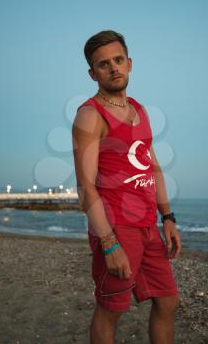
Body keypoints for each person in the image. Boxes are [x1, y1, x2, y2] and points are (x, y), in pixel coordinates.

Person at [72, 30, 181, 344]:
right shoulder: (90, 116)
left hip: (148, 227)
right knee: (111, 310)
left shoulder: (139, 109)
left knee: (168, 300)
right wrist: (108, 242)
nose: (113, 68)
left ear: (129, 63)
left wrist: (168, 217)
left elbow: (153, 167)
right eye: (103, 64)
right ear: (93, 73)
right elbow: (85, 187)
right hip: (117, 228)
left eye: (118, 60)